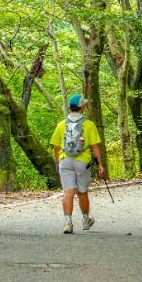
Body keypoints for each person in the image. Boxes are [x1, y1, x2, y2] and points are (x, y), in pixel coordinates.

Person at [50, 94, 106, 234]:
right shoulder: (88, 124)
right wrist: (100, 165)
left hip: (65, 160)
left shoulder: (62, 124)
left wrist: (58, 163)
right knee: (82, 192)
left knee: (68, 192)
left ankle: (68, 223)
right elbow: (95, 147)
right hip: (82, 162)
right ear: (82, 107)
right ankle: (86, 220)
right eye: (84, 104)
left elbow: (56, 147)